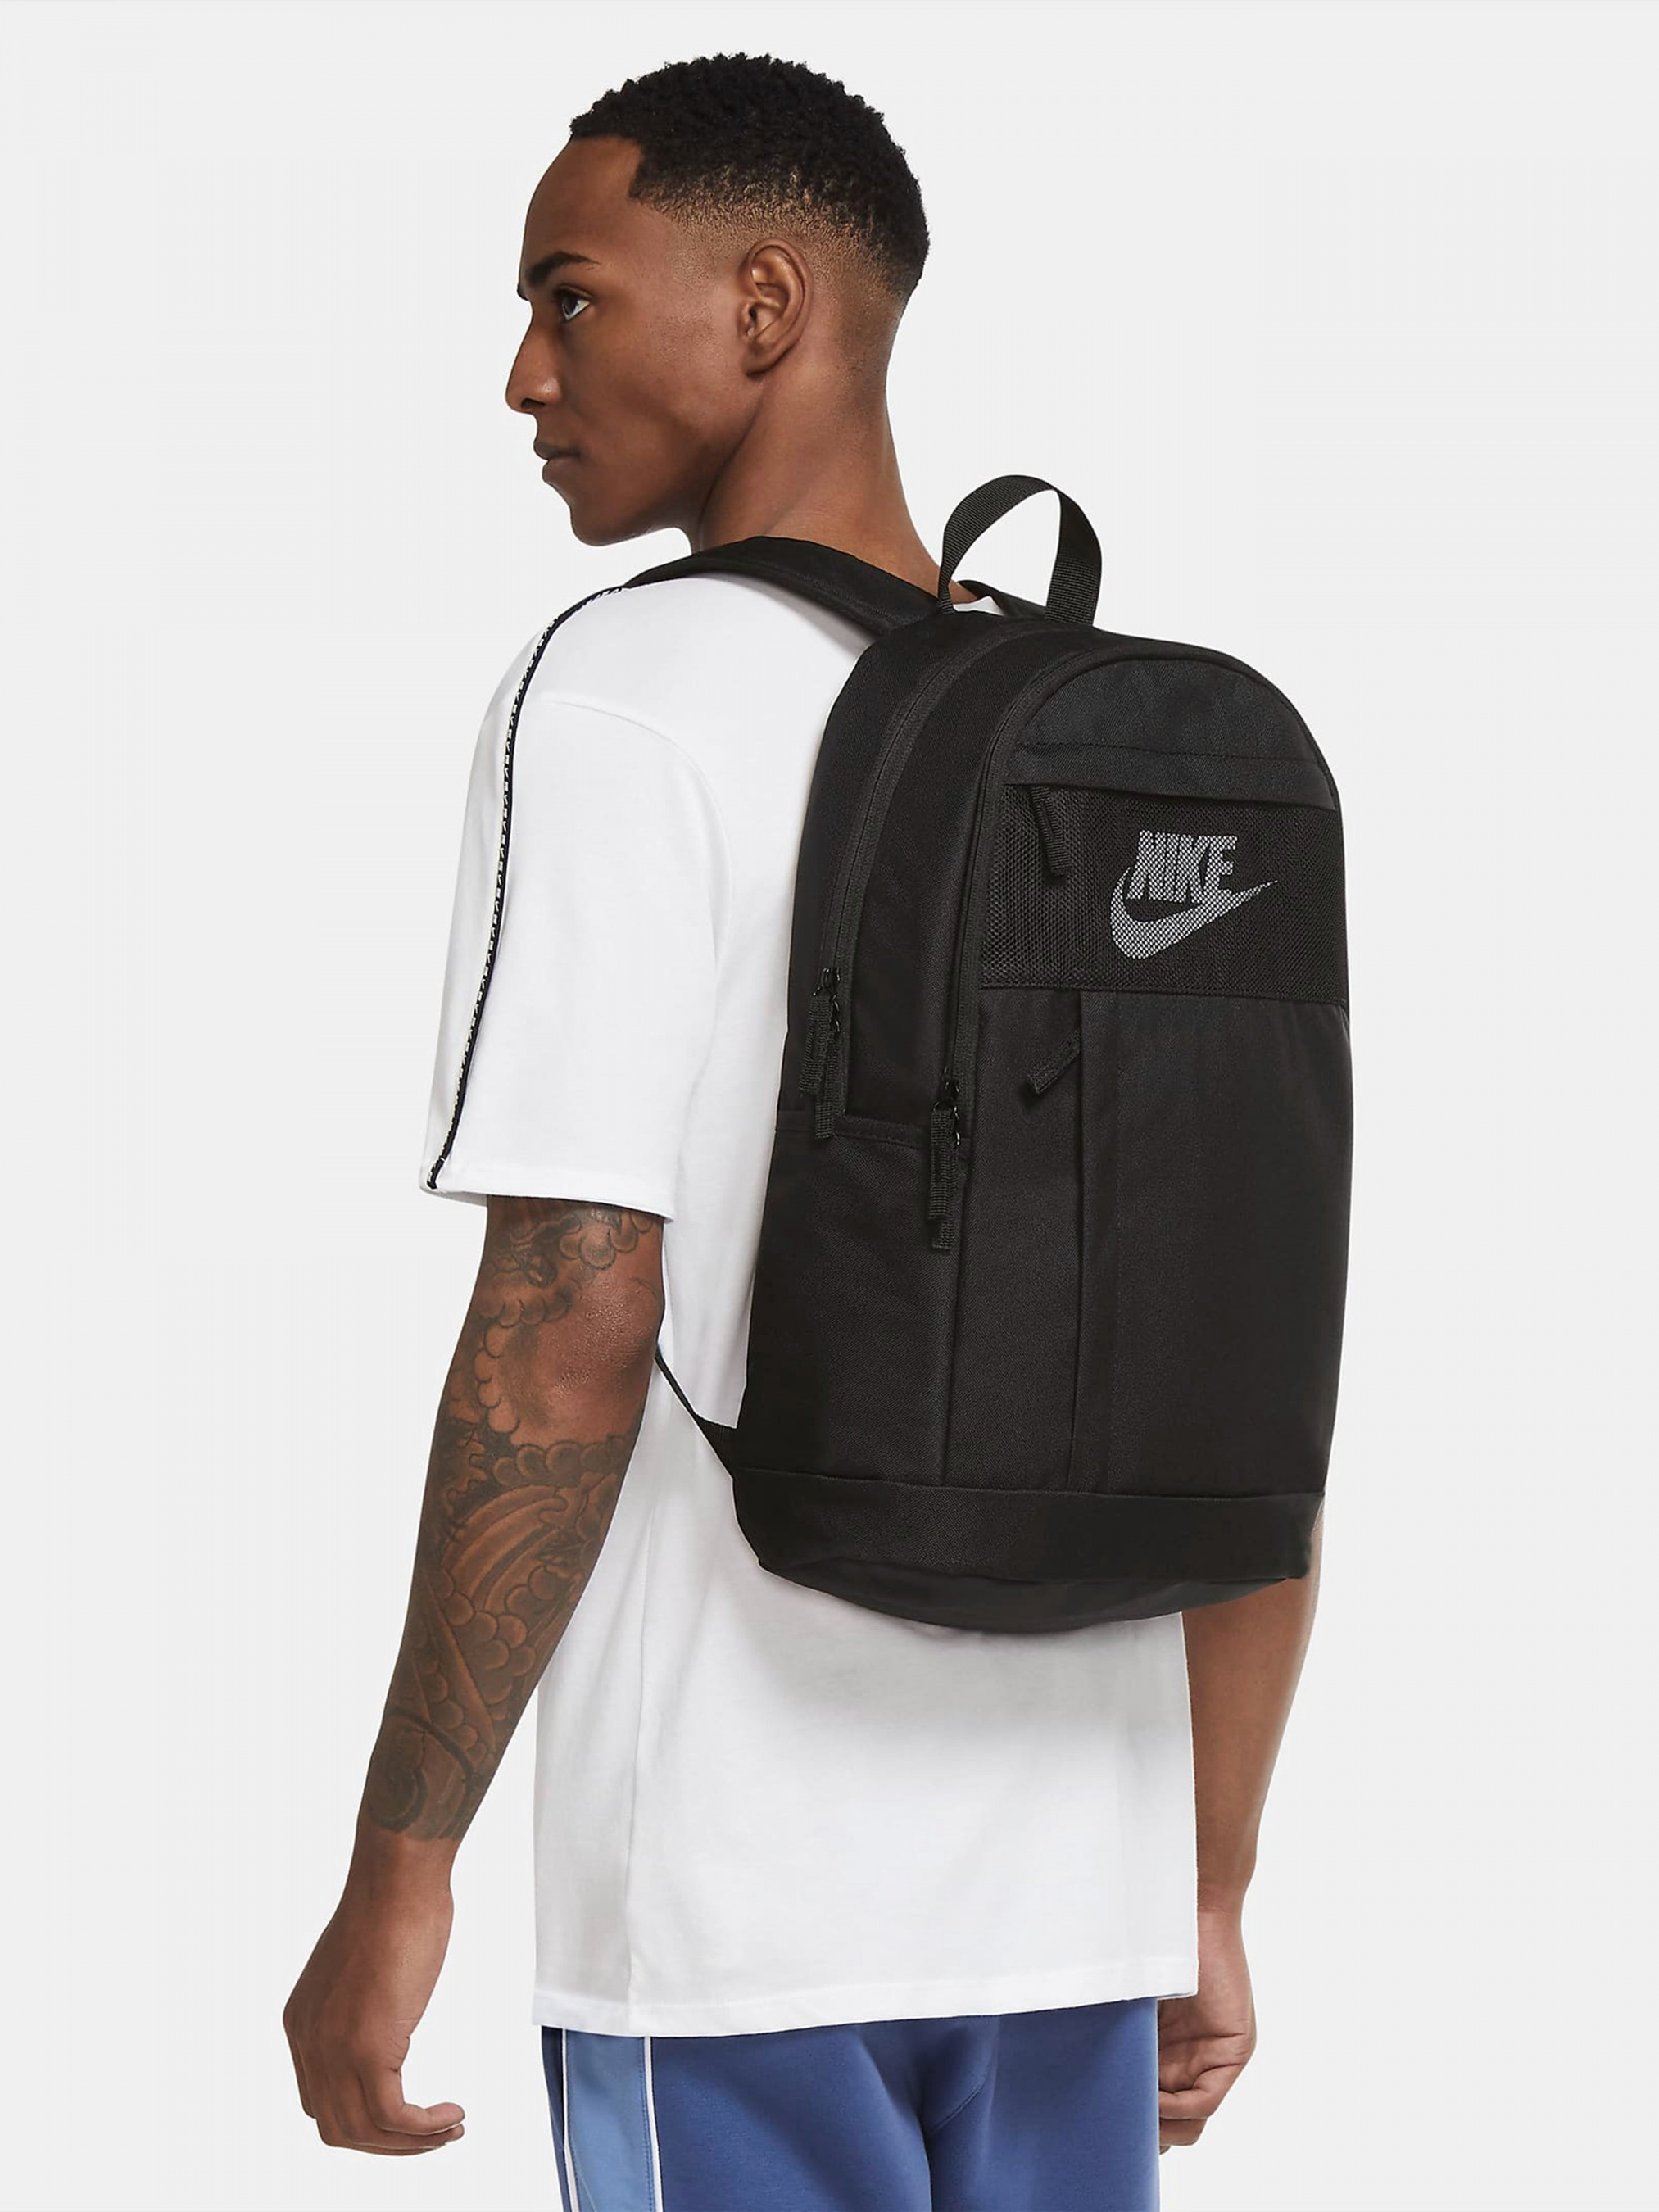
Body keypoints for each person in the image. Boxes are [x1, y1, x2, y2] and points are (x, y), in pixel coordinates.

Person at [283, 52, 1322, 2210]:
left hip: (730, 1903)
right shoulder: (1115, 748)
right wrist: (1204, 1875)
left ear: (765, 304)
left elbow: (568, 1323)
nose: (523, 373)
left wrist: (401, 1866)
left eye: (569, 296)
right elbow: (1243, 1356)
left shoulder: (621, 693)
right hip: (1075, 1895)